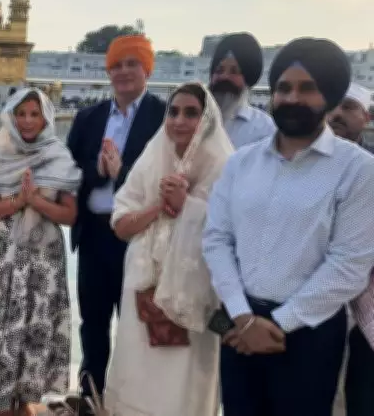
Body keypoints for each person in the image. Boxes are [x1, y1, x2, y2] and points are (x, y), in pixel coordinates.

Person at [203, 37, 374, 416]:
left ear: (328, 96)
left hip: (307, 335)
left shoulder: (357, 169)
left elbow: (348, 265)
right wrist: (244, 317)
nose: (292, 98)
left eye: (307, 88)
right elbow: (217, 239)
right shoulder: (241, 163)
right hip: (239, 325)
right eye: (283, 88)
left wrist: (278, 322)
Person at [105, 82, 232, 415]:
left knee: (181, 380)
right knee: (139, 370)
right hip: (142, 285)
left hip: (192, 292)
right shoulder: (152, 157)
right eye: (173, 111)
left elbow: (233, 233)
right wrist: (159, 207)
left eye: (192, 113)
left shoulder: (224, 167)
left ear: (207, 120)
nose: (179, 120)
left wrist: (187, 205)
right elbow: (120, 223)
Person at [65, 34, 166, 409]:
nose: (123, 72)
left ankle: (134, 397)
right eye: (116, 65)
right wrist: (99, 171)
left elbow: (166, 177)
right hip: (94, 234)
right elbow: (69, 171)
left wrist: (121, 173)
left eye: (131, 64)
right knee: (93, 318)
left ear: (146, 69)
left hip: (140, 235)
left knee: (135, 321)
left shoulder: (164, 117)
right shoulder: (89, 118)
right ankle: (92, 392)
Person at [0, 88, 81, 416]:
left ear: (46, 117)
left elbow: (70, 215)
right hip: (7, 252)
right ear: (11, 115)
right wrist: (18, 202)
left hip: (43, 256)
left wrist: (36, 202)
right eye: (21, 114)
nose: (27, 121)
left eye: (34, 114)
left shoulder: (58, 156)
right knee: (3, 320)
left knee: (36, 323)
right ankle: (2, 398)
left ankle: (24, 400)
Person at [328, 82, 374, 416]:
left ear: (367, 116)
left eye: (348, 107)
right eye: (334, 106)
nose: (338, 114)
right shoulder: (299, 160)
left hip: (363, 307)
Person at [208, 32, 275, 148]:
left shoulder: (264, 128)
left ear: (248, 78)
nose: (224, 77)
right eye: (219, 70)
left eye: (234, 71)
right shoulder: (191, 117)